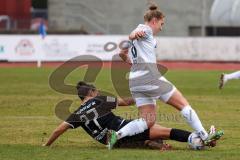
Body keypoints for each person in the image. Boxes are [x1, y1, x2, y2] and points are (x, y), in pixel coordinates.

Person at [108, 3, 223, 149]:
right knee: (184, 106)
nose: (162, 27)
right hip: (150, 77)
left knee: (147, 121)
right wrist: (134, 34)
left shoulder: (148, 38)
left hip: (135, 81)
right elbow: (135, 33)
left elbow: (122, 52)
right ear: (154, 20)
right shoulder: (145, 29)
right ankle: (205, 136)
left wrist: (128, 57)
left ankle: (117, 135)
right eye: (161, 23)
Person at [43, 81, 215, 150]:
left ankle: (153, 144)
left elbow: (59, 130)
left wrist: (46, 145)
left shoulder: (76, 114)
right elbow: (125, 102)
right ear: (92, 92)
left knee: (148, 134)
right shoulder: (99, 100)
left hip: (108, 141)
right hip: (122, 128)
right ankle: (197, 139)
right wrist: (143, 96)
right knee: (163, 130)